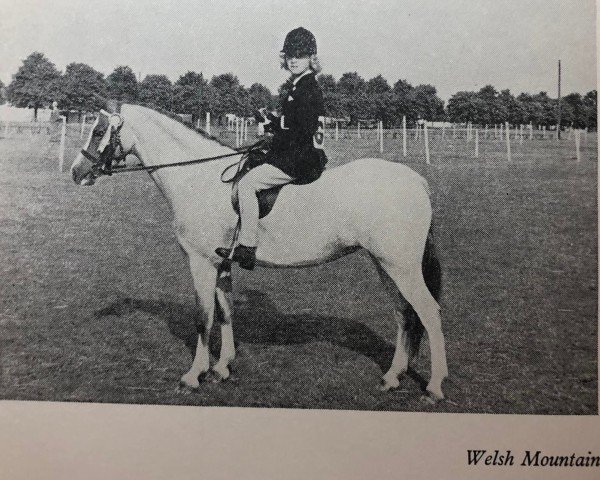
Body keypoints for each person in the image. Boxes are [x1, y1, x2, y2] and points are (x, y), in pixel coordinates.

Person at [217, 27, 327, 270]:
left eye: (300, 54)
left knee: (247, 184)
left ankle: (247, 247)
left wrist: (272, 141)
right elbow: (291, 127)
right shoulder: (299, 87)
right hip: (299, 154)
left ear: (312, 57)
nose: (294, 60)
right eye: (289, 55)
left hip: (301, 159)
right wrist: (270, 123)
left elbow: (300, 134)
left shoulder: (306, 89)